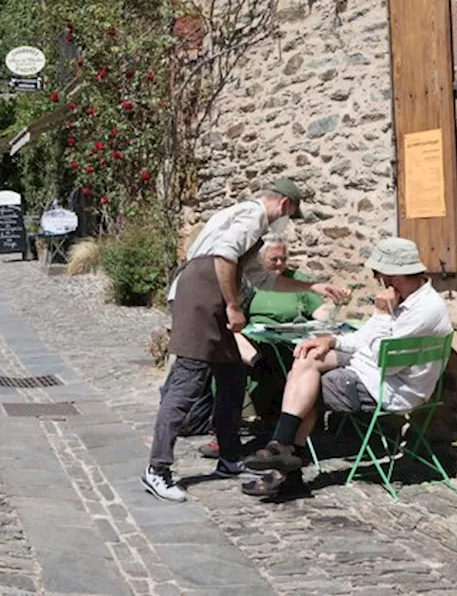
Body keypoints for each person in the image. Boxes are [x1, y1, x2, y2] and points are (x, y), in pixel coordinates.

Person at [141, 179, 350, 503]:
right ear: (283, 205)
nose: (289, 223)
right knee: (187, 381)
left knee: (232, 378)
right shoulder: (254, 216)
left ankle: (228, 458)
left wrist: (312, 287)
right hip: (201, 296)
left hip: (214, 296)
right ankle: (158, 469)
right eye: (291, 215)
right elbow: (224, 257)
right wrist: (234, 305)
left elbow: (263, 279)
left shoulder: (252, 226)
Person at [241, 237, 452, 496]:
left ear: (391, 276)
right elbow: (366, 340)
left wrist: (382, 315)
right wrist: (330, 341)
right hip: (370, 370)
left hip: (389, 387)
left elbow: (384, 362)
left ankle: (285, 464)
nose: (378, 280)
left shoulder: (423, 311)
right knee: (307, 359)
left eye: (378, 274)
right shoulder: (404, 298)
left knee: (308, 387)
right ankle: (282, 450)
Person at [194, 234, 335, 457]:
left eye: (283, 258)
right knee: (228, 369)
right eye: (273, 259)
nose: (279, 264)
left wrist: (331, 307)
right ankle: (223, 434)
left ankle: (289, 436)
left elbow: (321, 314)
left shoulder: (297, 281)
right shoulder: (251, 283)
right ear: (260, 260)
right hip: (253, 344)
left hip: (286, 345)